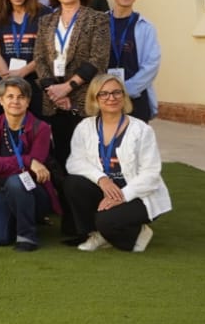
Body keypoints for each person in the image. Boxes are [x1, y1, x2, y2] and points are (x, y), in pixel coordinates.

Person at [32, 0, 110, 242]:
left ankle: (88, 223)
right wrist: (53, 91)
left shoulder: (96, 20)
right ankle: (70, 222)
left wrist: (68, 87)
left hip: (83, 102)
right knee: (62, 161)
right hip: (54, 103)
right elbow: (40, 60)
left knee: (85, 162)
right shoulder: (46, 22)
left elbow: (98, 60)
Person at [64, 74, 171, 252]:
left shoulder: (141, 130)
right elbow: (75, 162)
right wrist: (102, 179)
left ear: (124, 95)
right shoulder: (85, 127)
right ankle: (96, 234)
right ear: (95, 98)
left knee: (106, 221)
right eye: (104, 94)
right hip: (105, 188)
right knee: (73, 183)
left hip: (138, 193)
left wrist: (122, 195)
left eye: (116, 92)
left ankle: (138, 232)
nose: (111, 98)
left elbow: (151, 174)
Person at [0, 76, 58, 250]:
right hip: (2, 190)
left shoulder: (41, 128)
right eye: (10, 96)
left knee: (17, 181)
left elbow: (33, 168)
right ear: (1, 100)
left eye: (21, 97)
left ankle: (27, 236)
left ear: (28, 101)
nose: (15, 101)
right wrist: (28, 160)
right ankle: (15, 220)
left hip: (34, 190)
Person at [105, 0, 161, 121]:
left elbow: (151, 65)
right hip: (103, 97)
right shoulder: (99, 23)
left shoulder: (146, 27)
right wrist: (106, 91)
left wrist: (126, 90)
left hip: (135, 97)